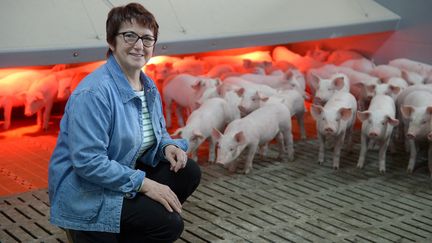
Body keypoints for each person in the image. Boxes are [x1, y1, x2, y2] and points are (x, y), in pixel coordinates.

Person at [48, 3, 201, 242]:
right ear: (111, 41)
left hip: (122, 172)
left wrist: (167, 146)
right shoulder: (94, 93)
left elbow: (155, 133)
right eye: (130, 35)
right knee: (168, 225)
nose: (139, 45)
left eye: (147, 38)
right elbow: (88, 163)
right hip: (87, 189)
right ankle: (87, 230)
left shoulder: (147, 86)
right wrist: (146, 184)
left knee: (187, 171)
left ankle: (131, 229)